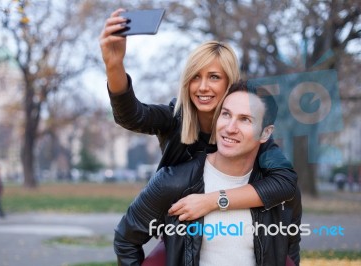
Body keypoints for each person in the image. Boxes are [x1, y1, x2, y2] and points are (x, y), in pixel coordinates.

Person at [99, 9, 297, 221]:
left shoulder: (247, 131)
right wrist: (114, 65)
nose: (203, 87)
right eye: (195, 77)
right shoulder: (174, 117)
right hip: (182, 232)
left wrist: (211, 201)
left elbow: (284, 183)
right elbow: (130, 116)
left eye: (213, 77)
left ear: (229, 82)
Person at [114, 80, 302, 265]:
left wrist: (213, 201)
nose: (230, 128)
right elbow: (126, 240)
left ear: (265, 133)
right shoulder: (174, 182)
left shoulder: (281, 192)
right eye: (226, 114)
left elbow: (289, 248)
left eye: (245, 119)